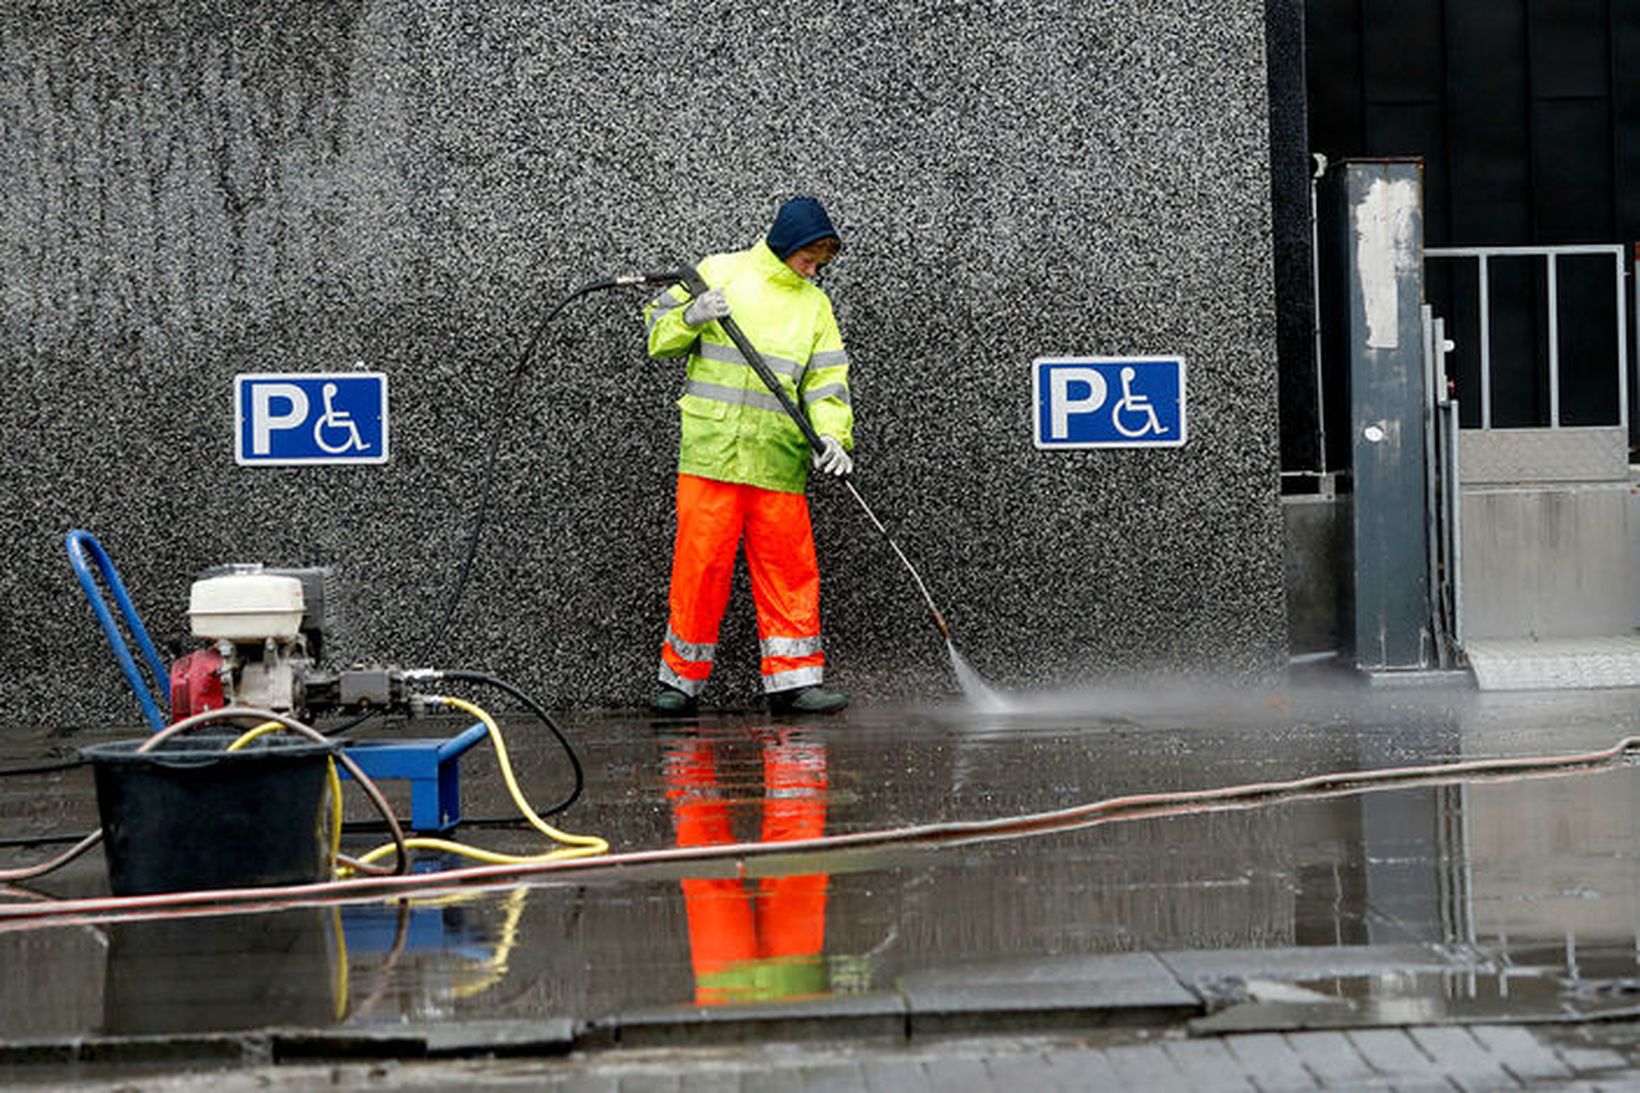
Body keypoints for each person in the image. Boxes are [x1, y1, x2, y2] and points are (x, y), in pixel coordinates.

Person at [644, 196, 854, 716]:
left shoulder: (814, 307)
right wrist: (691, 315)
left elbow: (827, 385)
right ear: (785, 244)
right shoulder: (719, 273)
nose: (813, 270)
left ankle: (796, 683)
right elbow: (657, 334)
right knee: (699, 568)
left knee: (790, 570)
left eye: (819, 264)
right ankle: (680, 684)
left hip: (778, 460)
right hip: (712, 455)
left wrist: (832, 437)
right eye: (808, 260)